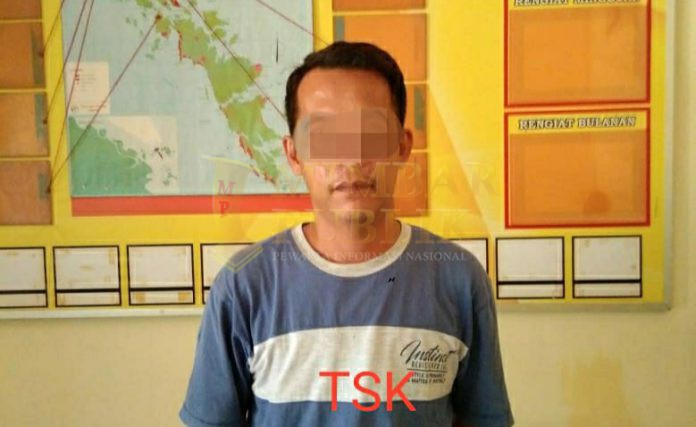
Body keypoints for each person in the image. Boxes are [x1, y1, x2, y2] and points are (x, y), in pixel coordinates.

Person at [179, 41, 514, 427]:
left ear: (402, 146)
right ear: (293, 154)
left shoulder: (458, 278)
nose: (351, 158)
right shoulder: (244, 286)